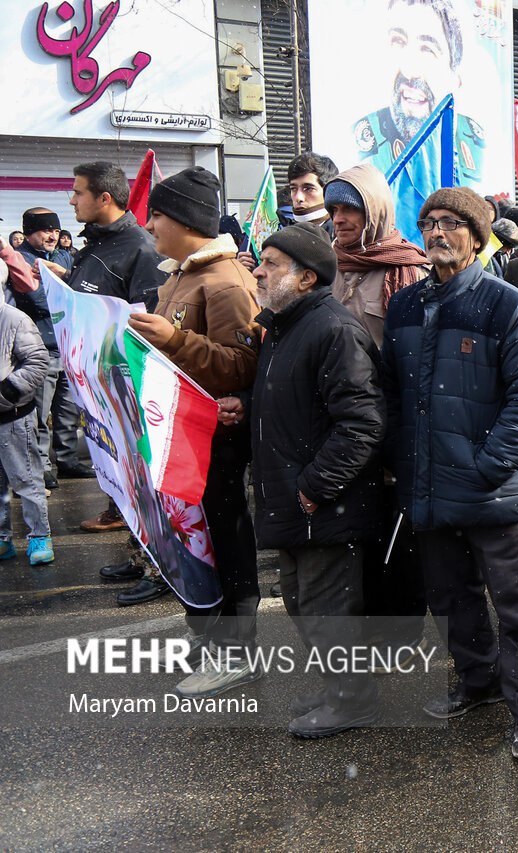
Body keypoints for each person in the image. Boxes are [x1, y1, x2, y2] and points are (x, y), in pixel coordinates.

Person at [381, 186, 518, 759]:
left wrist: (491, 465)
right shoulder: (404, 305)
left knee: (515, 604)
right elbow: (393, 394)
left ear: (478, 238)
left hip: (487, 488)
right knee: (450, 597)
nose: (437, 232)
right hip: (427, 485)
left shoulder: (507, 305)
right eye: (429, 222)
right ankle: (477, 680)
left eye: (452, 223)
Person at [227, 223, 384, 737]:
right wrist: (245, 407)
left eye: (271, 264)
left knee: (328, 609)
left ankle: (353, 701)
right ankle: (339, 688)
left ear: (305, 278)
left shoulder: (332, 329)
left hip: (324, 504)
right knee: (301, 602)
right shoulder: (284, 325)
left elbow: (363, 423)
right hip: (294, 499)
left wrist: (316, 486)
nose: (258, 271)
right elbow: (292, 401)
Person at [129, 167, 263, 696]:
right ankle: (212, 637)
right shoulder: (180, 273)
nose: (150, 223)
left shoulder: (226, 282)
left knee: (228, 540)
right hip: (180, 438)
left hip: (216, 442)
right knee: (197, 543)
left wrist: (174, 339)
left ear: (184, 219)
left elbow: (241, 368)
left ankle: (238, 652)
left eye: (157, 214)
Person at [66, 161, 168, 538]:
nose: (71, 199)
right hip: (95, 380)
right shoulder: (96, 242)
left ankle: (152, 557)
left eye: (78, 192)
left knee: (140, 469)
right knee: (114, 462)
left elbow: (146, 320)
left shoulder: (139, 248)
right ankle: (129, 533)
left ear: (104, 198)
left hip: (125, 384)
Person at [352, 0, 484, 185]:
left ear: (456, 77)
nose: (410, 70)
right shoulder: (362, 144)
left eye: (428, 50)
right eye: (398, 41)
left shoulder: (479, 147)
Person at [323, 163, 431, 350]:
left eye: (349, 208)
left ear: (374, 212)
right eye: (334, 210)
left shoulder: (410, 272)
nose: (338, 219)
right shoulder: (325, 266)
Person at [14, 209, 75, 490]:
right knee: (39, 412)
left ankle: (67, 459)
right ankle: (41, 465)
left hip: (69, 347)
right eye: (45, 230)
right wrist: (66, 287)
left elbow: (82, 291)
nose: (52, 235)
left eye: (55, 230)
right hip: (40, 349)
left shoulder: (63, 256)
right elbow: (39, 299)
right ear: (29, 232)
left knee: (68, 410)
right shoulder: (21, 260)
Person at [0, 297, 54, 566]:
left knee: (27, 480)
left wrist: (6, 392)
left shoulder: (15, 318)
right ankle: (2, 539)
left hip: (12, 415)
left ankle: (39, 536)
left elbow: (36, 361)